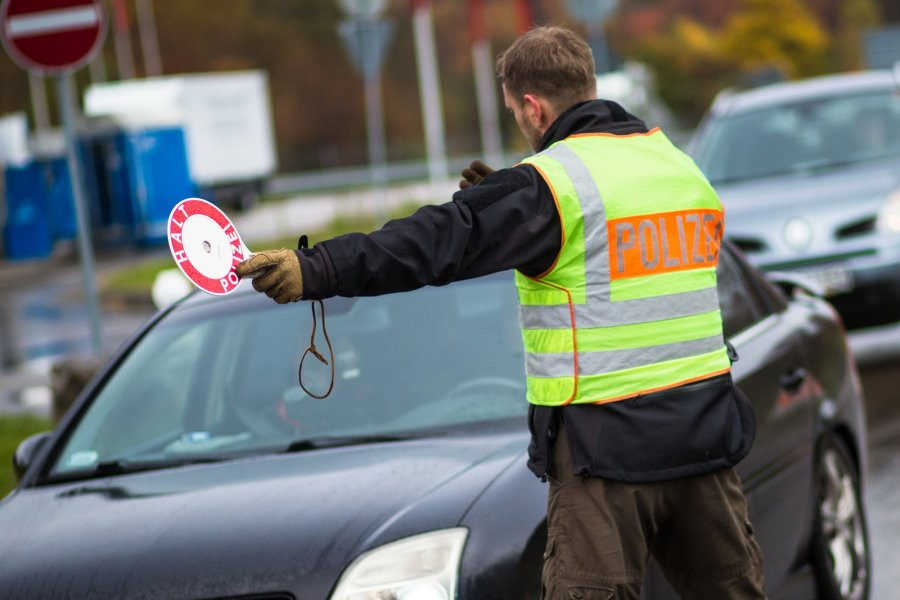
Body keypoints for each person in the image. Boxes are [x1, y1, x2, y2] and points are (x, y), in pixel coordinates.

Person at [237, 26, 765, 600]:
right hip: (705, 440)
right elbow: (625, 263)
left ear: (533, 107)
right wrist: (521, 222)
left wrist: (313, 268)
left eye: (516, 112)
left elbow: (433, 242)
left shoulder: (551, 185)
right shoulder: (678, 166)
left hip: (609, 455)